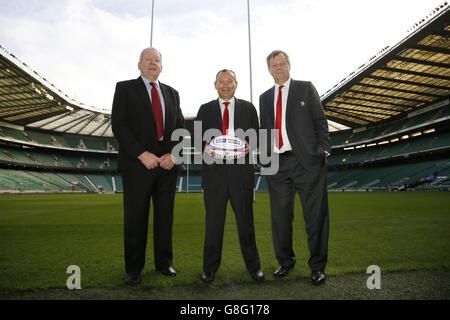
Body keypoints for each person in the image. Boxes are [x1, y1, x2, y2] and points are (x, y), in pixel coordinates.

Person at [111, 47, 184, 286]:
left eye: (157, 60)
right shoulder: (125, 88)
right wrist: (142, 154)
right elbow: (119, 125)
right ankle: (134, 269)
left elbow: (180, 129)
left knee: (165, 218)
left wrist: (173, 155)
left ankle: (164, 263)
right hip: (137, 166)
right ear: (139, 65)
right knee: (136, 219)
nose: (153, 63)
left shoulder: (172, 93)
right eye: (148, 60)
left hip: (167, 166)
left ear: (162, 66)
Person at [259, 50, 331, 285]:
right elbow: (265, 130)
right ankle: (285, 261)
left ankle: (318, 267)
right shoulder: (264, 97)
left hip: (307, 162)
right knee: (280, 219)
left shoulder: (305, 88)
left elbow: (320, 121)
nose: (278, 67)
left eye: (282, 63)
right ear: (269, 69)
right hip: (278, 165)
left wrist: (324, 150)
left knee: (315, 217)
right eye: (273, 65)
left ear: (289, 65)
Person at [196, 69, 264, 283]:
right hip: (214, 174)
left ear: (236, 84)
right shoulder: (205, 109)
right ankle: (210, 268)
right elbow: (197, 139)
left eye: (230, 81)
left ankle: (254, 267)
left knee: (246, 223)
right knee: (213, 225)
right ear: (214, 84)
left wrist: (250, 145)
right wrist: (205, 146)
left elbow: (258, 137)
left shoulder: (248, 108)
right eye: (222, 81)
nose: (226, 84)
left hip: (240, 173)